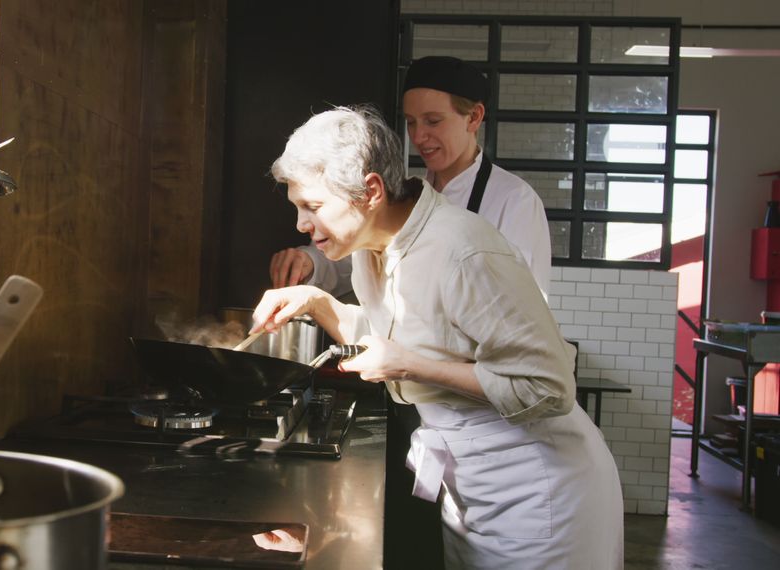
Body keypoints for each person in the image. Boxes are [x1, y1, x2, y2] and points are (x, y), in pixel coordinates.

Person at [252, 106, 622, 568]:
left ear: (370, 191)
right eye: (298, 208)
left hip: (541, 496)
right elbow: (405, 339)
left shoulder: (463, 250)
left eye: (313, 207)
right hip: (473, 491)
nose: (301, 226)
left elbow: (548, 387)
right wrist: (318, 301)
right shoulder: (376, 248)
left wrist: (409, 366)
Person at [269, 55, 551, 298]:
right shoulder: (410, 192)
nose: (418, 136)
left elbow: (525, 314)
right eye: (411, 122)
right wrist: (312, 261)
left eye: (433, 121)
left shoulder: (515, 201)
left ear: (474, 117)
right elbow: (360, 249)